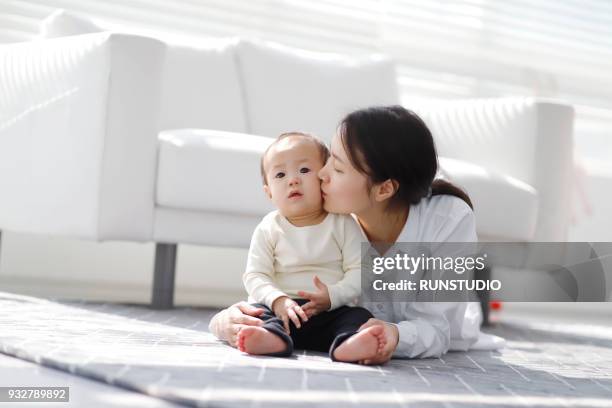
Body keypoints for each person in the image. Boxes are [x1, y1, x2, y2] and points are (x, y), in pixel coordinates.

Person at [209, 106, 505, 364]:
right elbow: (277, 281)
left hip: (441, 331)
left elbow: (435, 329)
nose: (320, 175)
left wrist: (394, 335)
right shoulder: (327, 215)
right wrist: (226, 323)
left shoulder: (449, 219)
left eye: (337, 167)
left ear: (384, 189)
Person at [237, 131, 387, 362]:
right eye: (280, 174)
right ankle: (270, 338)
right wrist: (278, 300)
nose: (293, 180)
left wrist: (333, 296)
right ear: (268, 192)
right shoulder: (268, 227)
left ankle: (347, 344)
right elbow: (256, 275)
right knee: (259, 313)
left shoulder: (342, 222)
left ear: (324, 178)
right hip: (282, 310)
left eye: (304, 170)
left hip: (330, 311)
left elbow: (363, 269)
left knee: (358, 316)